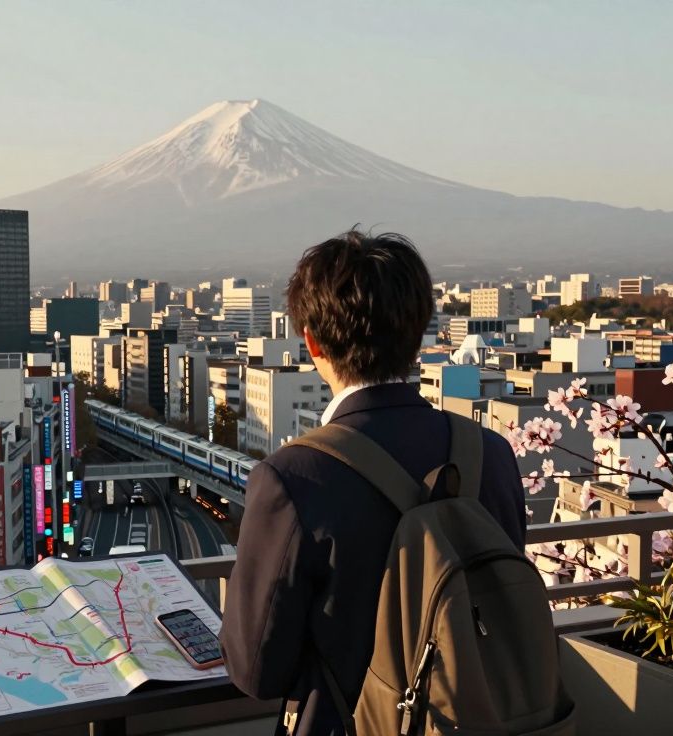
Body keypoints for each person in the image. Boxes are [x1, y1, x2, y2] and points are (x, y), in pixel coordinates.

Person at [221, 230, 527, 736]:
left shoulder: (293, 478)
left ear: (312, 342)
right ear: (418, 332)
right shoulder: (489, 454)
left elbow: (257, 670)